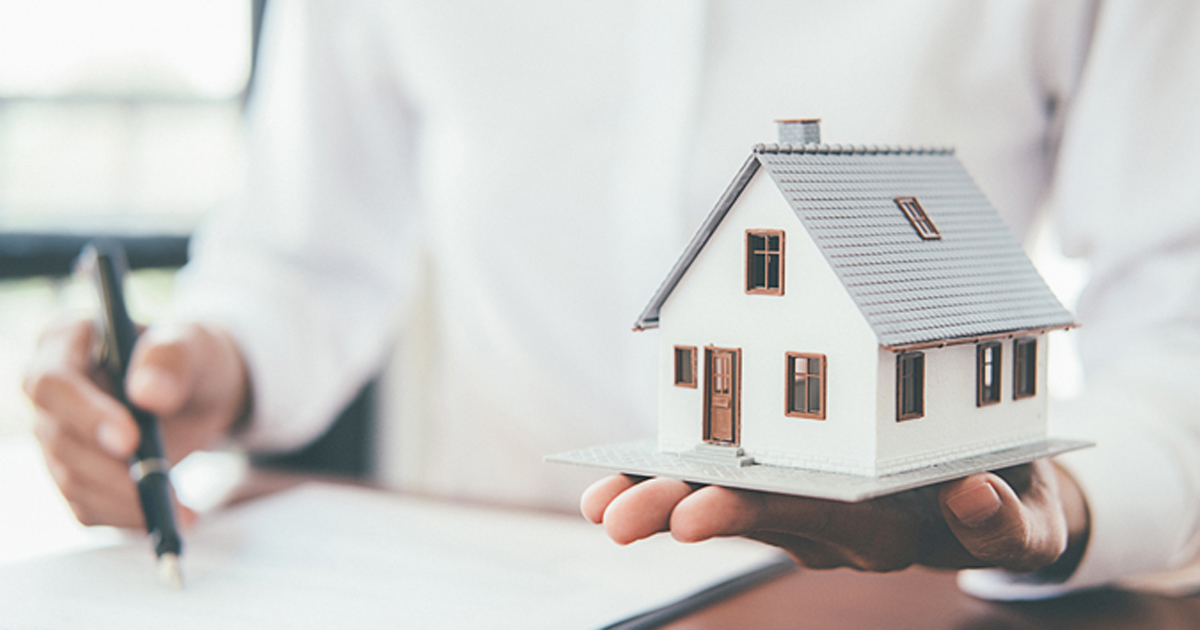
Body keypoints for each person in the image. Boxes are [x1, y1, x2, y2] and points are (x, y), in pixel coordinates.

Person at [22, 0, 1200, 599]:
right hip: (488, 590)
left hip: (919, 605)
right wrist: (207, 364)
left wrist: (1068, 510)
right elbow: (302, 256)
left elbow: (1182, 303)